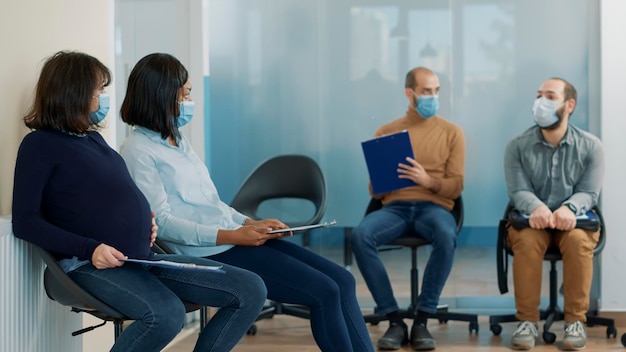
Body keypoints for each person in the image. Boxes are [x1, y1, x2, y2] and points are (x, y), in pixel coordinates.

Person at [11, 51, 267, 352]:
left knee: (249, 289)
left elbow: (111, 198)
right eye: (100, 90)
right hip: (88, 265)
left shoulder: (92, 140)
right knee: (165, 315)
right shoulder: (39, 145)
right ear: (75, 92)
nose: (104, 98)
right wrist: (90, 249)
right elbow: (25, 221)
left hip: (142, 258)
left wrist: (147, 220)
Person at [118, 52, 375, 352]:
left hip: (233, 239)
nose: (189, 101)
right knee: (325, 292)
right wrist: (233, 235)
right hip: (210, 252)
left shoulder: (176, 138)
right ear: (162, 94)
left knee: (343, 280)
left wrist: (248, 223)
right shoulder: (137, 150)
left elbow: (210, 203)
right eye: (185, 93)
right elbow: (163, 224)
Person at [350, 67, 465, 351]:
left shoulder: (452, 133)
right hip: (396, 208)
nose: (433, 97)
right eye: (427, 91)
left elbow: (456, 187)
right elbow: (375, 191)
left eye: (437, 91)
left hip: (434, 207)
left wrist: (428, 181)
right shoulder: (387, 132)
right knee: (361, 235)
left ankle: (423, 319)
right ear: (409, 93)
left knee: (445, 233)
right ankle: (394, 320)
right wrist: (383, 179)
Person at [503, 78, 604, 351]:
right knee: (526, 241)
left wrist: (569, 208)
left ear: (568, 105)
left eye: (549, 96)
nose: (540, 102)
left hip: (575, 223)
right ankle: (527, 322)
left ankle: (575, 322)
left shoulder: (591, 146)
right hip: (531, 222)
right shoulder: (517, 145)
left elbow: (589, 193)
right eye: (538, 95)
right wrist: (537, 207)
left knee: (578, 241)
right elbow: (518, 190)